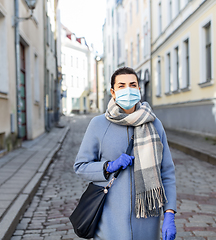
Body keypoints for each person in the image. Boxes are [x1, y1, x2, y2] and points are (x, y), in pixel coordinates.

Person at [74, 67, 177, 240]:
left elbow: (166, 172)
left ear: (139, 89)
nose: (127, 90)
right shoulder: (98, 124)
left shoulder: (154, 124)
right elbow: (80, 166)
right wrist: (108, 167)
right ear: (113, 92)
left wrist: (169, 214)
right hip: (109, 219)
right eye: (121, 86)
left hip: (147, 219)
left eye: (132, 85)